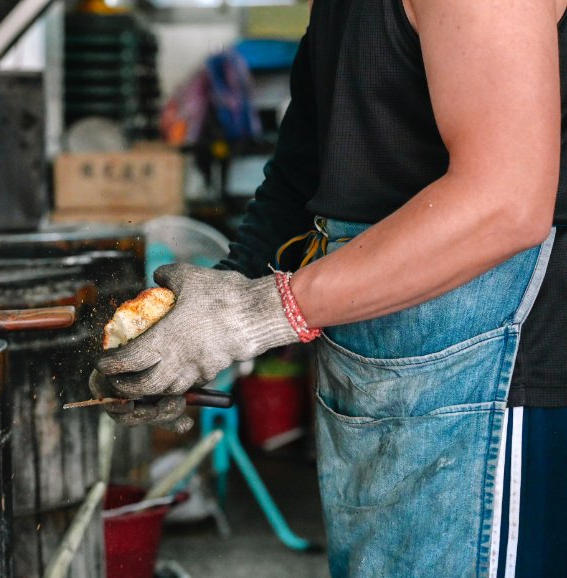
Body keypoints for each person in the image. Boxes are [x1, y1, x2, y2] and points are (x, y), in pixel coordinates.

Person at [91, 0, 567, 576]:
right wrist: (205, 318)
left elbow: (504, 204)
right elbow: (307, 168)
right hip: (388, 370)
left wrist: (255, 314)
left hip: (493, 382)